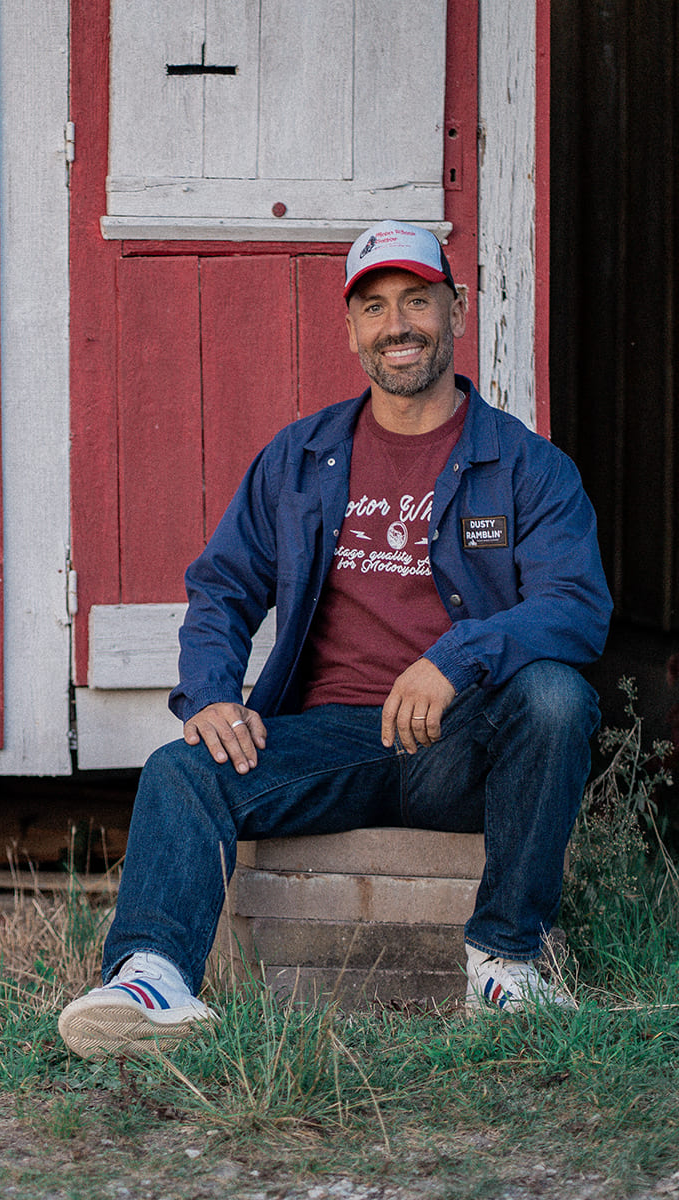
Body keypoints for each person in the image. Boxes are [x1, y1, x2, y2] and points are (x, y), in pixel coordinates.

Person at [58, 220, 612, 1060]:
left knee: (556, 696)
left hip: (462, 743)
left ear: (457, 311)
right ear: (351, 330)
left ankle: (506, 964)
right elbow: (223, 586)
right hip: (333, 741)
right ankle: (151, 980)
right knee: (183, 766)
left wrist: (456, 660)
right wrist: (210, 694)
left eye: (417, 300)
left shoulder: (526, 466)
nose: (398, 325)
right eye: (375, 307)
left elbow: (576, 607)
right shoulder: (301, 458)